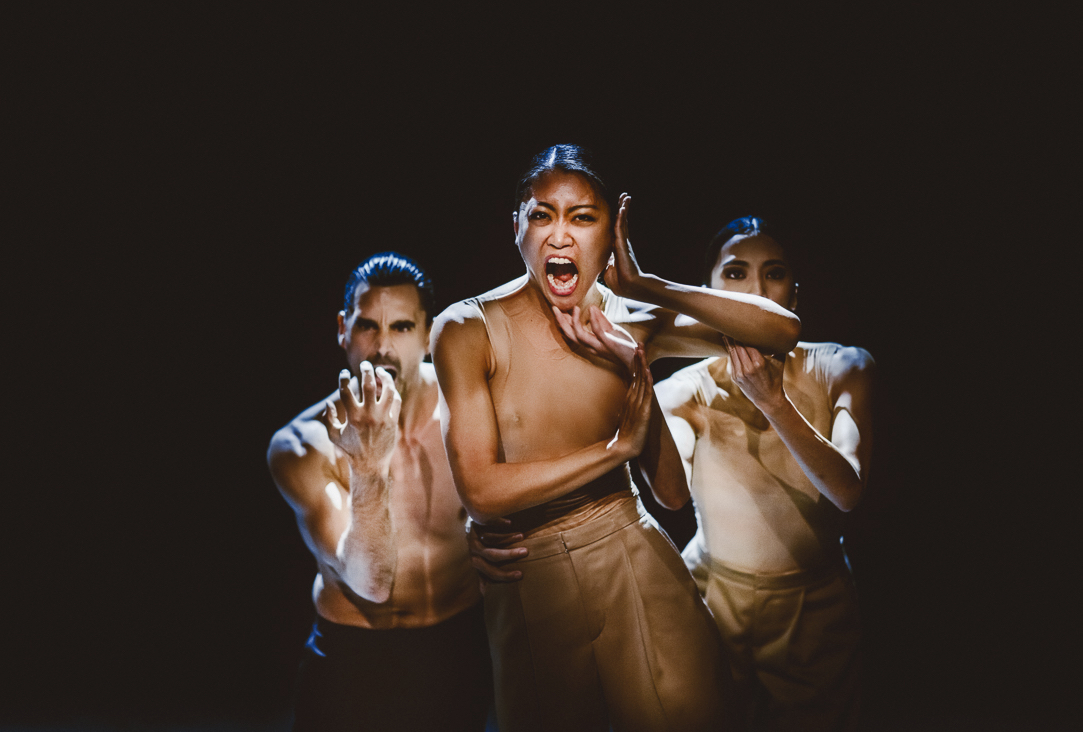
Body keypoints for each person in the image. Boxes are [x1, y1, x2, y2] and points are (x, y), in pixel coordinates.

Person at [430, 145, 801, 732]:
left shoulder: (632, 321)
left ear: (611, 231)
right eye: (541, 214)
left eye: (583, 217)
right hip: (532, 576)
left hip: (634, 549)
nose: (559, 235)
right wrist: (615, 451)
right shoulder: (466, 328)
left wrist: (647, 291)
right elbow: (480, 490)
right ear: (517, 228)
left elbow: (781, 331)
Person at [656, 218, 873, 730]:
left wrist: (773, 402)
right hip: (713, 596)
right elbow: (669, 496)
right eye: (734, 274)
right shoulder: (683, 390)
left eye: (773, 274)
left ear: (793, 294)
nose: (755, 292)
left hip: (813, 606)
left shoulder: (842, 367)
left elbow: (847, 491)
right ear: (707, 294)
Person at [267, 252, 492, 732]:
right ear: (342, 330)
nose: (383, 348)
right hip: (354, 661)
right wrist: (369, 467)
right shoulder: (301, 446)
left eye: (402, 328)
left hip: (457, 651)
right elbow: (369, 585)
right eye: (368, 326)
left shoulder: (471, 411)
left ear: (429, 335)